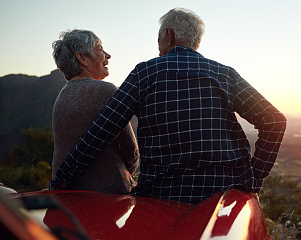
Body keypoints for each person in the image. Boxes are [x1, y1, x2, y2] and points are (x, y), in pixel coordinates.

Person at [50, 9, 286, 203]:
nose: (158, 45)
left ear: (169, 36)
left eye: (159, 38)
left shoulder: (144, 74)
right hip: (224, 196)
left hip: (161, 197)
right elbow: (275, 121)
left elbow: (101, 132)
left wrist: (62, 179)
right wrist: (253, 179)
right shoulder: (225, 74)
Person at [51, 29, 139, 194]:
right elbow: (132, 150)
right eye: (99, 49)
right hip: (108, 196)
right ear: (82, 58)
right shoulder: (105, 90)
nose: (108, 55)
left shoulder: (61, 96)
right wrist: (127, 175)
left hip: (66, 194)